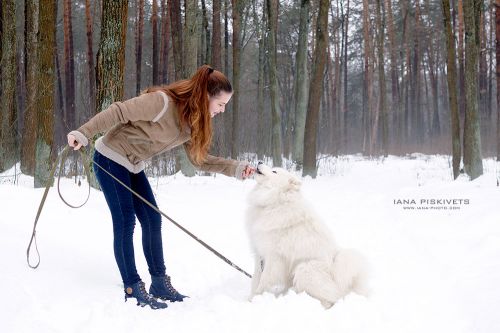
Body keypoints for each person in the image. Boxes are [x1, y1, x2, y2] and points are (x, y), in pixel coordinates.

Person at [67, 65, 255, 310]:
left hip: (133, 164)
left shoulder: (191, 122)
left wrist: (237, 168)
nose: (222, 110)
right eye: (221, 104)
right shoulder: (162, 102)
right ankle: (132, 284)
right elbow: (118, 112)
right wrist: (83, 133)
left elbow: (200, 160)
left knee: (152, 220)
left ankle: (158, 282)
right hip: (110, 158)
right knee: (125, 221)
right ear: (205, 96)